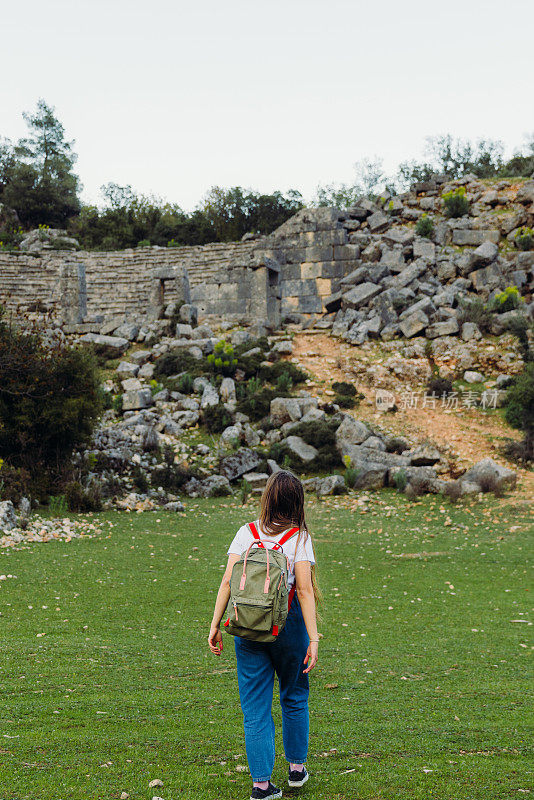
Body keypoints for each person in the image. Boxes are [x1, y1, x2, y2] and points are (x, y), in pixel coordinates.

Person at [208, 470, 321, 800]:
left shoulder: (247, 533)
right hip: (289, 627)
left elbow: (228, 582)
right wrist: (313, 639)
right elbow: (303, 590)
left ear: (267, 498)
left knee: (255, 708)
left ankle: (261, 785)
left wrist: (215, 625)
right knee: (295, 695)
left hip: (247, 628)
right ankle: (297, 770)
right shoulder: (298, 538)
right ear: (297, 502)